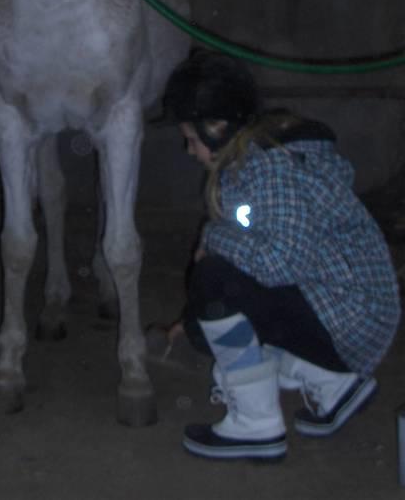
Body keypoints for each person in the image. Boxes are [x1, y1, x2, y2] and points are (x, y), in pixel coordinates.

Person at [161, 49, 401, 462]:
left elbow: (279, 264)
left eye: (193, 139)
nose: (190, 150)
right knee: (207, 319)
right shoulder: (254, 163)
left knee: (213, 280)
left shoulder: (272, 168)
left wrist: (214, 238)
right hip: (350, 316)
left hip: (352, 321)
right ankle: (332, 384)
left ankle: (257, 426)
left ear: (217, 128)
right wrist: (192, 319)